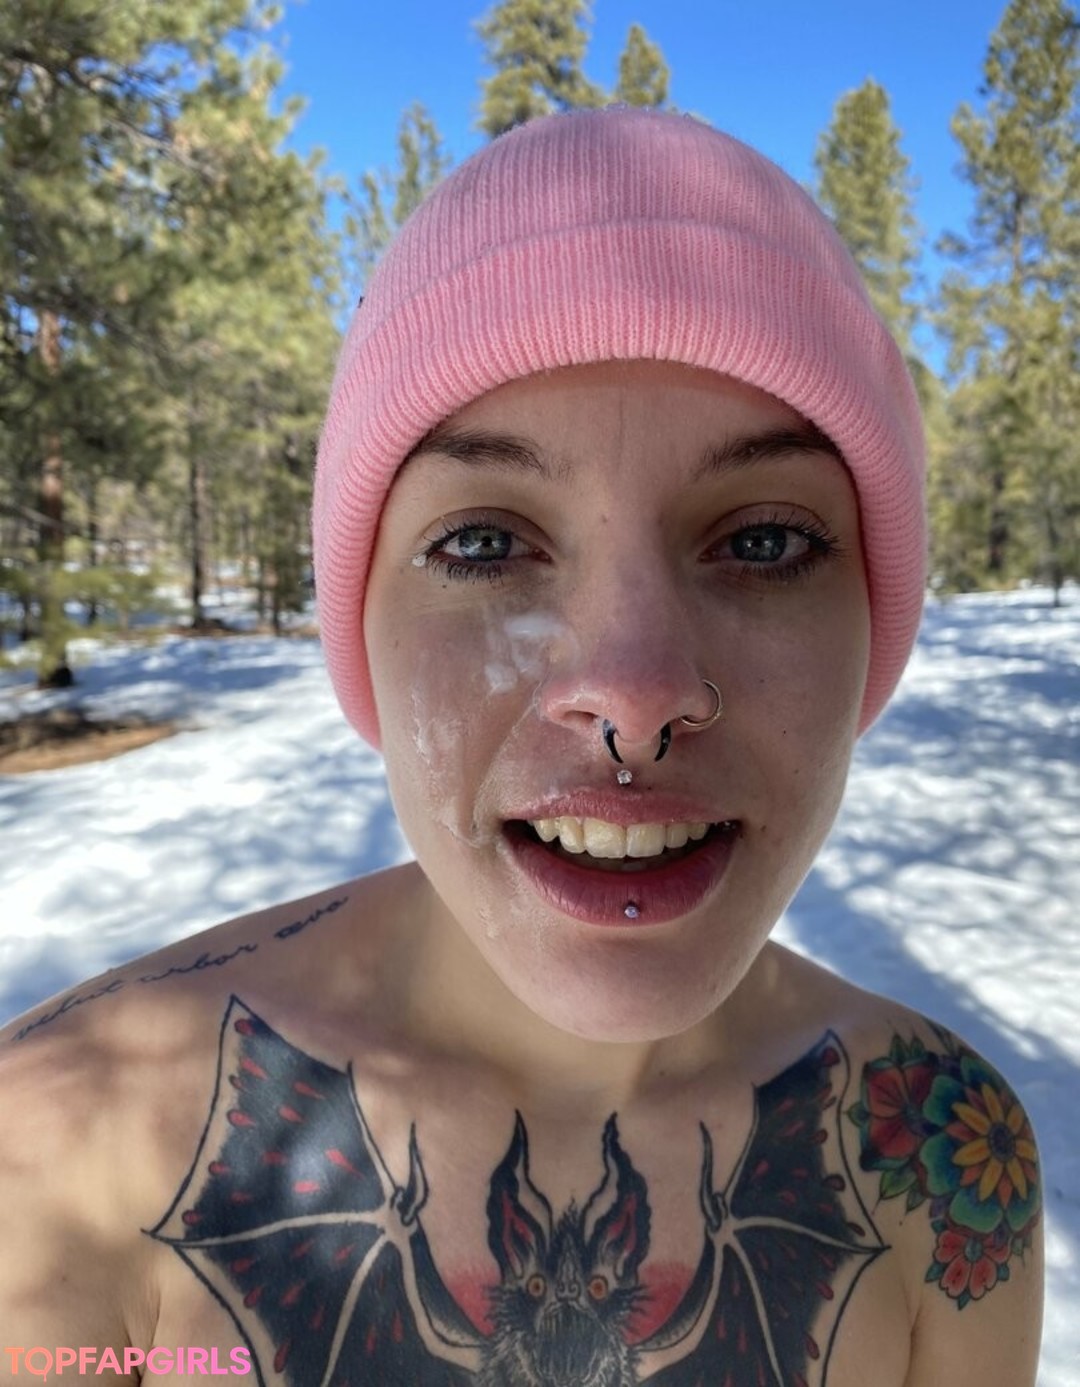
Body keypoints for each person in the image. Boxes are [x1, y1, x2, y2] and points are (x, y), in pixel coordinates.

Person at [0, 107, 1042, 1386]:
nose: (637, 700)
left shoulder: (946, 1161)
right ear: (361, 621)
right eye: (485, 544)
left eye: (766, 539)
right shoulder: (62, 1152)